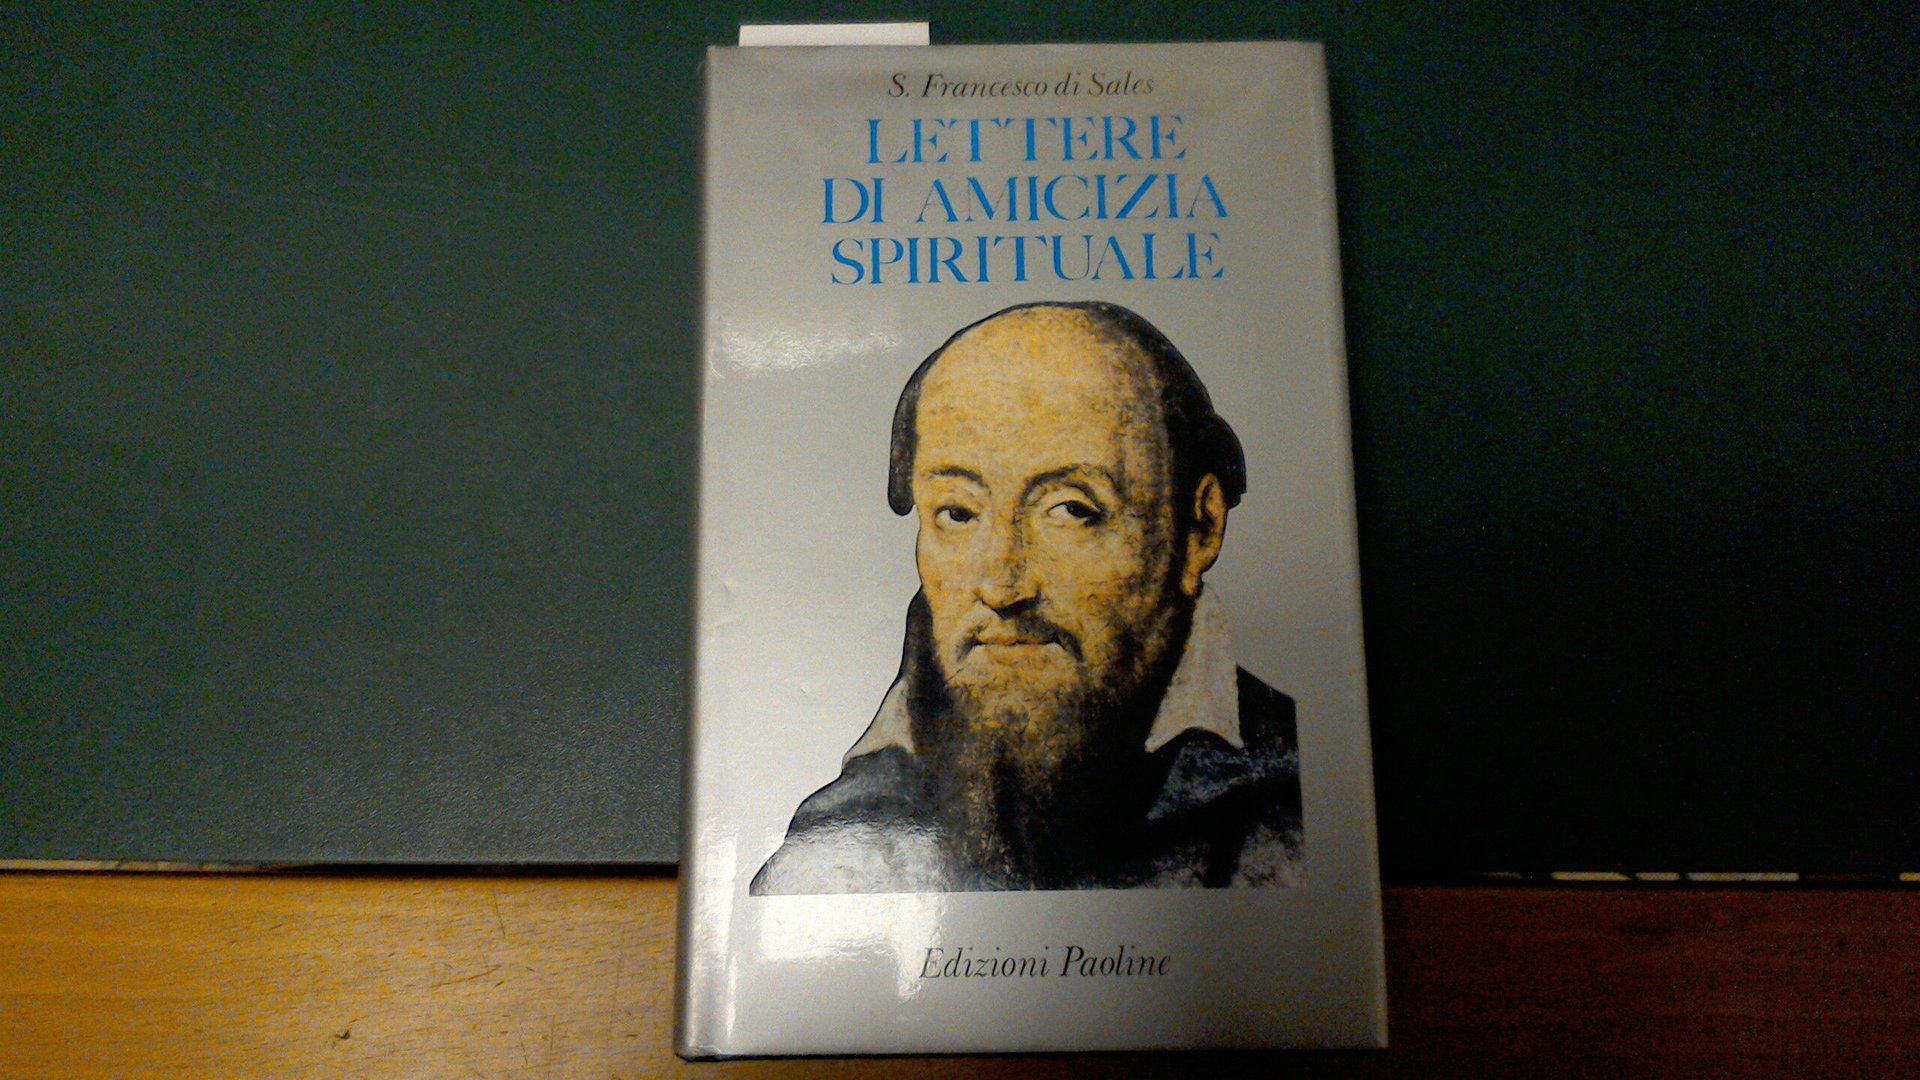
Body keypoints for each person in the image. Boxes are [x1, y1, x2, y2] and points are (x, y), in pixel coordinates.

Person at [752, 301, 1302, 894]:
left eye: (1071, 510)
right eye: (957, 513)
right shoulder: (836, 846)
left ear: (1199, 529)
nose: (1003, 586)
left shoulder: (1299, 805)